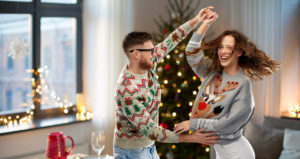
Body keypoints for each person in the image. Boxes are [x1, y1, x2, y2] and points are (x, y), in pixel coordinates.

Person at [114, 6, 219, 159]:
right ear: (135, 54)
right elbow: (152, 131)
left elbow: (173, 39)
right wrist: (193, 138)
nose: (154, 53)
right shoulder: (127, 89)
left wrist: (198, 19)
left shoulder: (149, 61)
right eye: (149, 50)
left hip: (149, 146)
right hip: (131, 152)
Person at [174, 10, 279, 159]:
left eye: (229, 48)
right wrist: (206, 23)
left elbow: (227, 123)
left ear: (239, 52)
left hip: (238, 153)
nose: (223, 51)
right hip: (220, 150)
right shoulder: (212, 72)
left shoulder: (243, 85)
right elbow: (191, 52)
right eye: (221, 47)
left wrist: (192, 124)